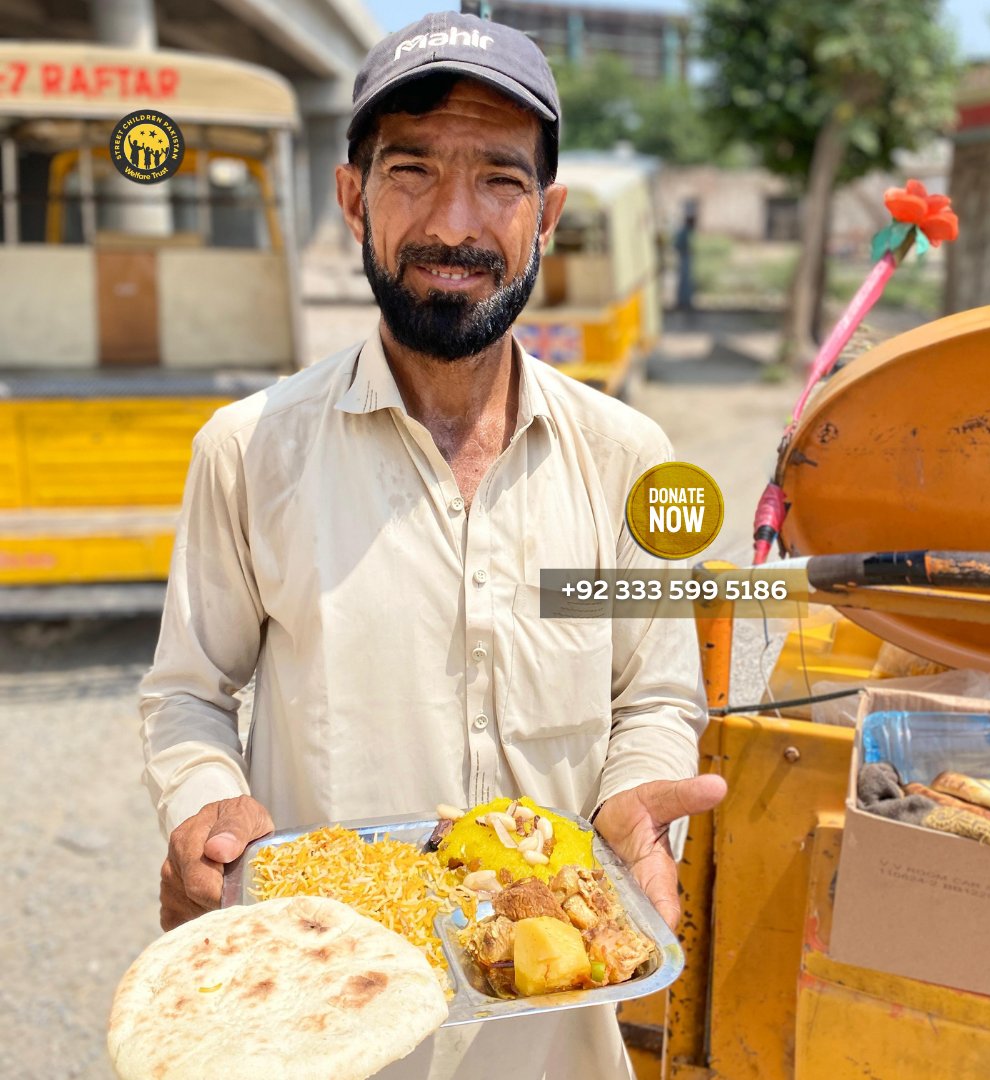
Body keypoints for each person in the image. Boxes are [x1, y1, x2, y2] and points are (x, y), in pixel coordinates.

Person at [139, 11, 726, 1078]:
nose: (453, 223)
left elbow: (655, 696)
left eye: (499, 180)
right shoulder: (249, 450)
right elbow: (187, 692)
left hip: (554, 1033)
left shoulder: (626, 455)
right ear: (354, 197)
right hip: (324, 1019)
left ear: (545, 215)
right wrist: (204, 805)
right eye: (411, 170)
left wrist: (636, 799)